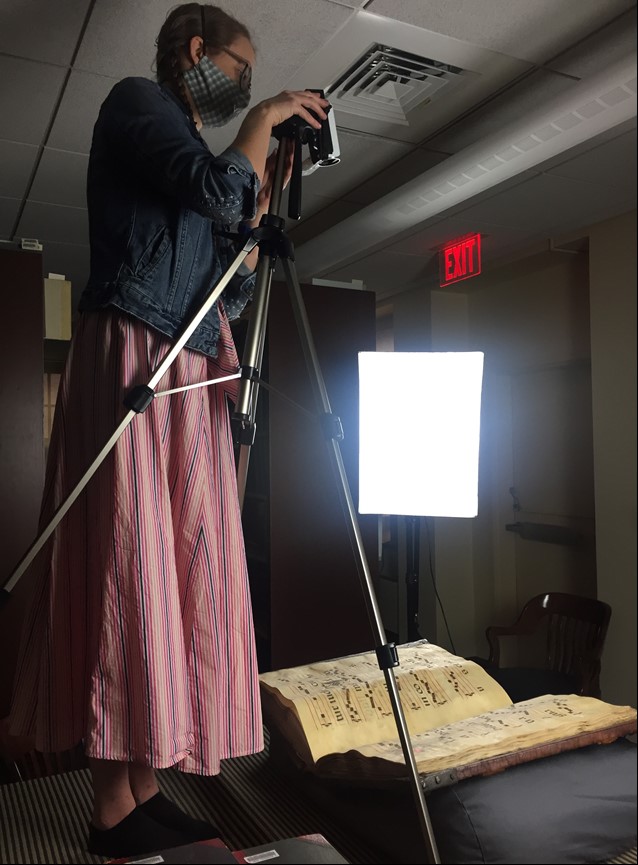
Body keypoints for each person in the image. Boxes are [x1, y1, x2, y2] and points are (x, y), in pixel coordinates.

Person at [7, 2, 328, 858]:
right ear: (196, 51)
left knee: (174, 579)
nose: (249, 90)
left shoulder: (206, 150)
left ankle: (144, 784)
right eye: (242, 70)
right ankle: (111, 806)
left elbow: (227, 289)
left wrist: (253, 246)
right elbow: (213, 188)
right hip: (135, 356)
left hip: (188, 368)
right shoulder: (137, 104)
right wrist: (260, 126)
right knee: (129, 563)